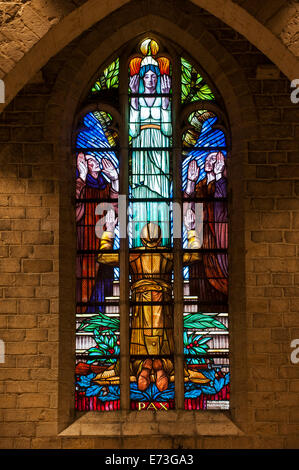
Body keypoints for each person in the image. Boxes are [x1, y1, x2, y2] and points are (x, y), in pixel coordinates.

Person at [96, 210, 203, 392]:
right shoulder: (168, 254)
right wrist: (190, 229)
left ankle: (143, 367)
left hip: (140, 303)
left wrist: (110, 230)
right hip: (163, 302)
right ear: (160, 240)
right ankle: (161, 366)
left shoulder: (133, 255)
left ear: (142, 239)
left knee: (140, 337)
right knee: (165, 337)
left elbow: (103, 256)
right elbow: (195, 255)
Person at [129, 55, 172, 248]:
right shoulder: (134, 100)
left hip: (160, 149)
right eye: (146, 77)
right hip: (140, 150)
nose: (151, 80)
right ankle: (138, 244)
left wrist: (164, 100)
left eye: (154, 77)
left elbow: (169, 130)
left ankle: (163, 244)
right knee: (140, 196)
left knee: (161, 199)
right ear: (141, 80)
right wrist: (135, 103)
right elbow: (132, 131)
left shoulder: (165, 99)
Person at [76, 152, 119, 313]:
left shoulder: (104, 186)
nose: (93, 161)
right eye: (87, 161)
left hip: (104, 241)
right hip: (85, 245)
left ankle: (102, 319)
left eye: (93, 158)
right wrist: (81, 178)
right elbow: (74, 213)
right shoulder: (80, 186)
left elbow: (116, 209)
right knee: (87, 284)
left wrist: (115, 179)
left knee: (103, 282)